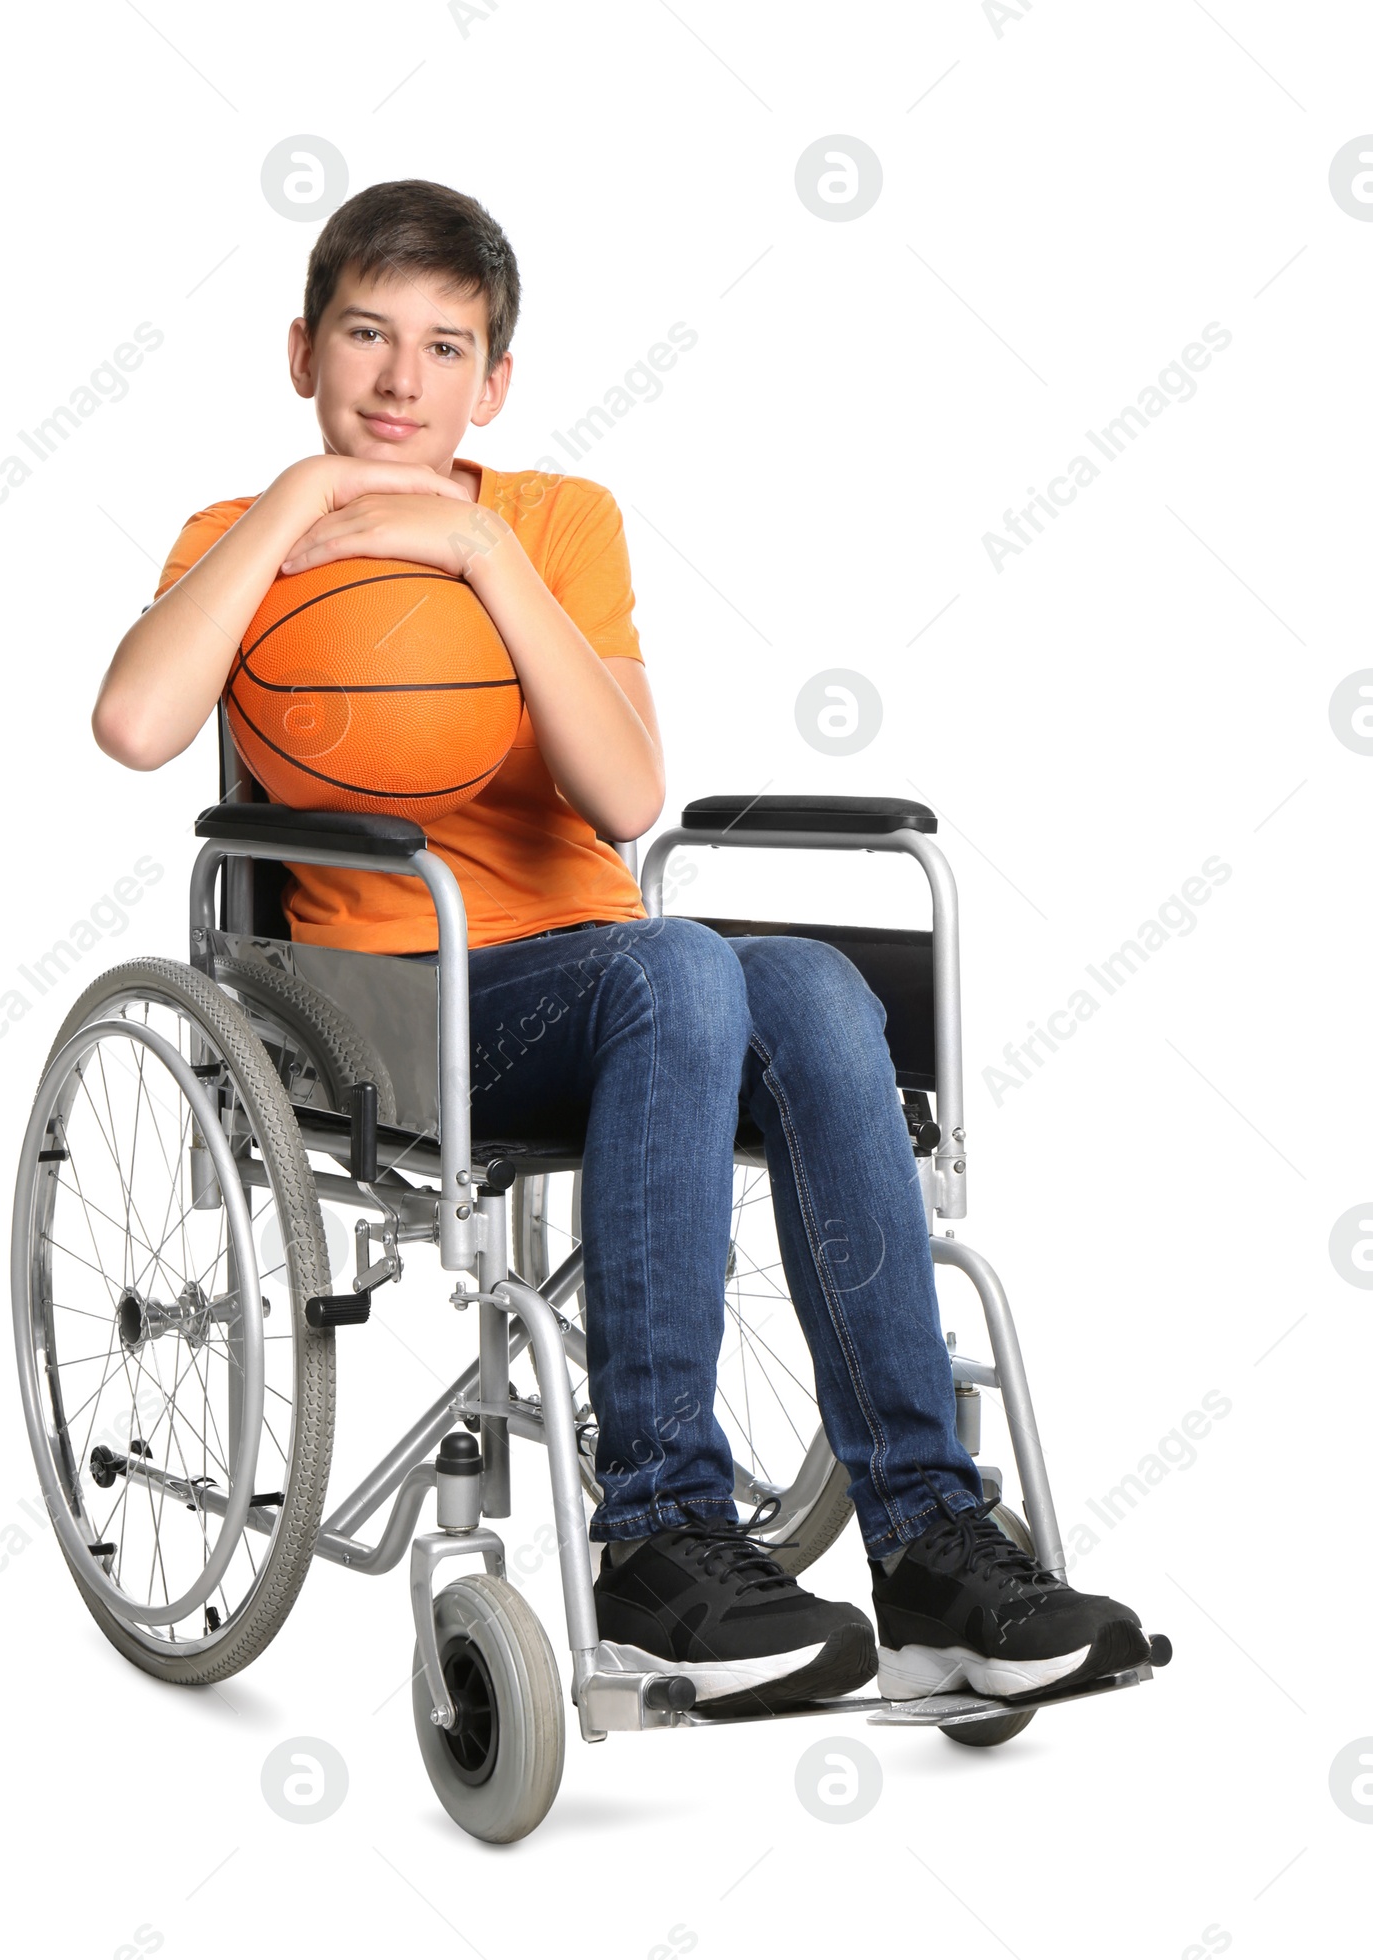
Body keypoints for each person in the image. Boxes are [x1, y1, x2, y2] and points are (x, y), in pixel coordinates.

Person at [92, 178, 1149, 1717]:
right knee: (688, 963)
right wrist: (292, 511)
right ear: (305, 351)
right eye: (368, 337)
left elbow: (630, 793)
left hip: (621, 979)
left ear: (494, 381)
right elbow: (134, 726)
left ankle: (927, 1546)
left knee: (804, 978)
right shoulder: (231, 540)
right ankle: (658, 1533)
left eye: (448, 348)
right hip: (396, 1003)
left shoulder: (555, 523)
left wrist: (473, 551)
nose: (403, 382)